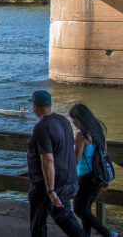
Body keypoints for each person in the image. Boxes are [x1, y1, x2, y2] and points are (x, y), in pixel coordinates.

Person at [27, 90, 87, 237]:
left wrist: (51, 191)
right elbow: (67, 150)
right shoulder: (63, 121)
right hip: (69, 180)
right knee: (64, 218)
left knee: (38, 222)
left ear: (35, 106)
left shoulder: (41, 127)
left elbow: (47, 160)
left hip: (49, 185)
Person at [69, 104, 119, 237]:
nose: (72, 122)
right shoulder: (98, 131)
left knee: (79, 210)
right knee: (86, 210)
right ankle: (87, 234)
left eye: (73, 119)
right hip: (98, 177)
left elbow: (76, 160)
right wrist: (105, 180)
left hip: (85, 177)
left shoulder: (81, 136)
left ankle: (107, 234)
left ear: (79, 119)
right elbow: (104, 156)